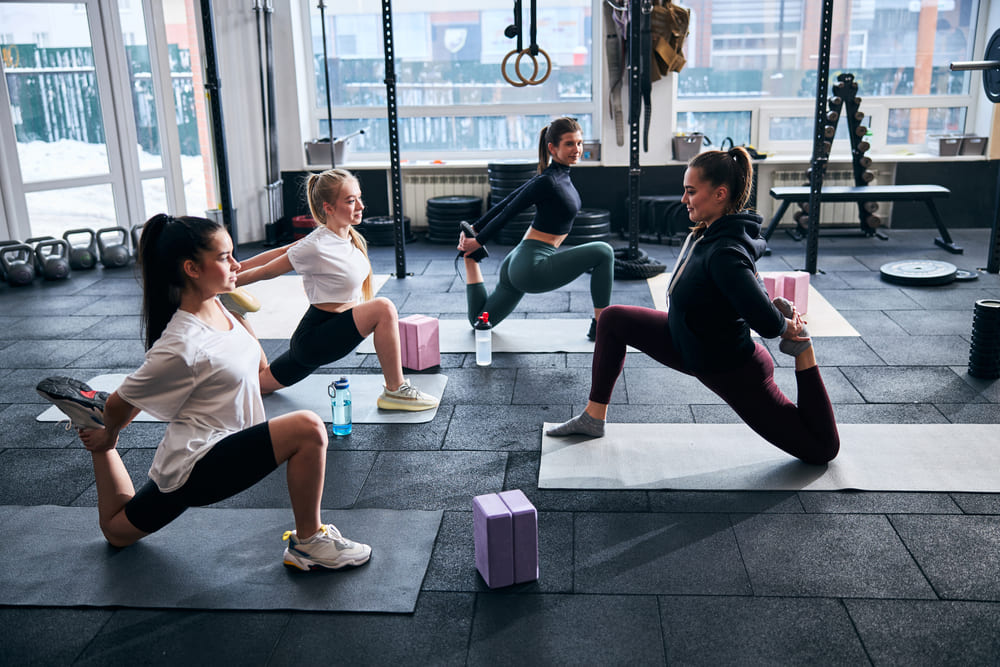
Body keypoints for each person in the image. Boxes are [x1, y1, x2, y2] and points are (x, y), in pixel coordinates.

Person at [36, 214, 371, 570]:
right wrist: (109, 434)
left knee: (117, 531)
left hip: (225, 448)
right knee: (308, 428)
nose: (237, 264)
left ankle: (92, 426)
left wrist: (244, 318)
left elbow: (258, 371)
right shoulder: (181, 343)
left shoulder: (219, 307)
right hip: (197, 463)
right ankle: (308, 543)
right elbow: (121, 401)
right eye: (225, 257)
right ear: (192, 269)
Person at [546, 147, 840, 465]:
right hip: (687, 342)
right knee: (613, 319)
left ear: (720, 194)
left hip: (729, 369)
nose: (684, 199)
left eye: (691, 191)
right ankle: (593, 417)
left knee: (820, 449)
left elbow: (766, 323)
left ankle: (805, 351)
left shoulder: (725, 252)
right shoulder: (710, 231)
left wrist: (787, 327)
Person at [234, 168, 438, 411]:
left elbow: (283, 250)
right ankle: (395, 390)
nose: (361, 206)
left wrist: (238, 266)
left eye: (359, 198)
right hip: (315, 338)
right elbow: (267, 271)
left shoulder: (344, 236)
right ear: (328, 208)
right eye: (351, 201)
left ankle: (236, 312)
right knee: (383, 308)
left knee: (260, 383)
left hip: (329, 332)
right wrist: (225, 282)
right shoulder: (317, 246)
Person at [457, 117, 615, 340]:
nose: (577, 149)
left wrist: (476, 228)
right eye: (569, 144)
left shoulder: (551, 177)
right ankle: (601, 326)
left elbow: (508, 200)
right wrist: (479, 239)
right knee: (604, 252)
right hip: (530, 266)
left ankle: (470, 261)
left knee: (480, 321)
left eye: (579, 143)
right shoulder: (548, 181)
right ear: (552, 148)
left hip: (517, 262)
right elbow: (510, 209)